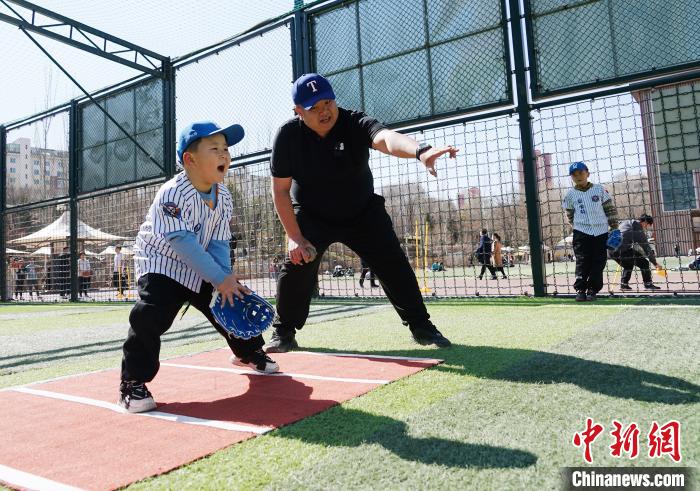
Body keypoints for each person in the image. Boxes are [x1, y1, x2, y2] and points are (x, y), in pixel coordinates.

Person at [266, 73, 457, 352]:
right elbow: (280, 191)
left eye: (328, 102)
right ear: (298, 112)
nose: (324, 111)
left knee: (394, 262)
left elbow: (385, 138)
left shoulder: (353, 121)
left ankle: (422, 327)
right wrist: (295, 236)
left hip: (361, 211)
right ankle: (283, 333)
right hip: (312, 214)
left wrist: (421, 151)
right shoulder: (287, 136)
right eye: (314, 108)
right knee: (296, 264)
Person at [119, 121, 279, 413]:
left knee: (231, 299)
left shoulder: (224, 196)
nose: (224, 155)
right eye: (215, 149)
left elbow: (218, 242)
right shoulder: (172, 193)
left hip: (200, 263)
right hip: (161, 263)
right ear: (189, 160)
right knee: (149, 314)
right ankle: (132, 383)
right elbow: (182, 242)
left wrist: (226, 279)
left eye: (226, 149)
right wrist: (220, 277)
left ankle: (248, 351)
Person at [563, 161, 618, 301]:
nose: (578, 176)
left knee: (598, 261)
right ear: (571, 177)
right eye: (574, 175)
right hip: (581, 233)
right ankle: (580, 289)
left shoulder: (600, 190)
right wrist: (577, 227)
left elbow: (609, 209)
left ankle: (593, 290)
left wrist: (614, 227)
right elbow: (569, 215)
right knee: (582, 261)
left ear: (587, 173)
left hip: (600, 232)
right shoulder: (570, 195)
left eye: (581, 173)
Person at [611, 214, 662, 290]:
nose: (646, 228)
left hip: (611, 251)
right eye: (647, 225)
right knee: (644, 263)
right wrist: (655, 263)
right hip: (622, 250)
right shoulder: (638, 229)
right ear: (644, 222)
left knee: (628, 264)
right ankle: (648, 284)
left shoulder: (625, 222)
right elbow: (646, 248)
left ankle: (624, 285)